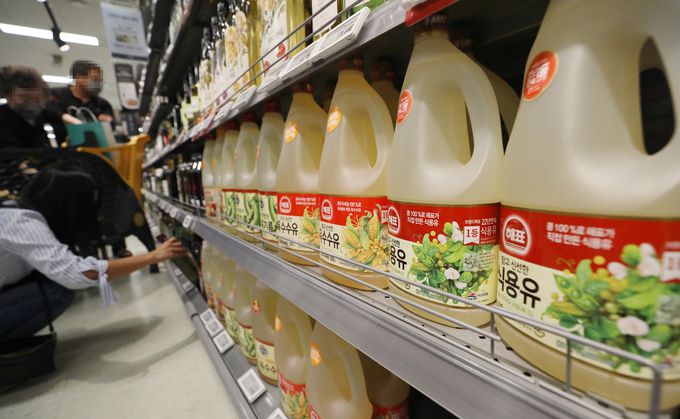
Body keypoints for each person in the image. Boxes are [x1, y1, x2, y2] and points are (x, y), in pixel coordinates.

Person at [0, 162, 186, 339]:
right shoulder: (23, 223)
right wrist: (154, 256)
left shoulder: (13, 209)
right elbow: (76, 274)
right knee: (57, 290)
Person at [45, 60, 115, 144]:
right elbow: (49, 111)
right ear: (79, 78)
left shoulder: (103, 104)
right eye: (95, 79)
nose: (99, 83)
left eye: (100, 80)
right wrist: (70, 119)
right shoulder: (56, 95)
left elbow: (111, 126)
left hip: (93, 149)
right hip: (58, 147)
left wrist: (108, 123)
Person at [0, 66, 51, 149]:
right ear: (7, 95)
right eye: (24, 97)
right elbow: (11, 153)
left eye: (37, 99)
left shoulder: (38, 117)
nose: (31, 103)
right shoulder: (3, 120)